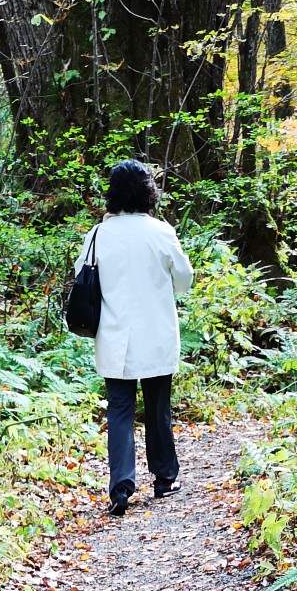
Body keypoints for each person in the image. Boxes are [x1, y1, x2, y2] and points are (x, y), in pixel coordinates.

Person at [72, 160, 194, 517]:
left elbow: (82, 276)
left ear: (112, 193)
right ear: (148, 191)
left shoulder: (98, 234)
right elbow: (184, 280)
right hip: (156, 334)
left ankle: (121, 489)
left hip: (114, 338)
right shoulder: (161, 232)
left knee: (120, 410)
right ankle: (164, 479)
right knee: (158, 407)